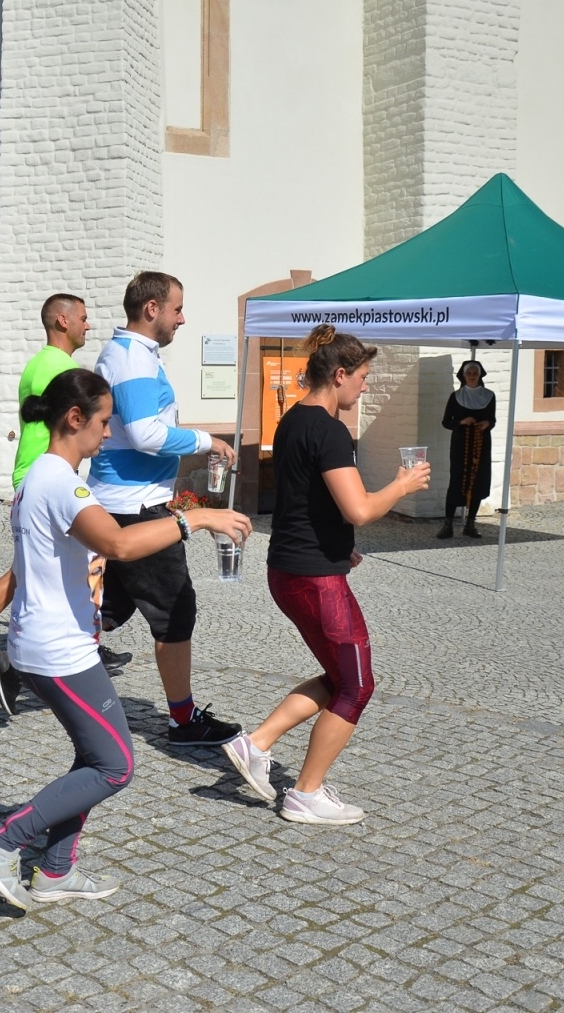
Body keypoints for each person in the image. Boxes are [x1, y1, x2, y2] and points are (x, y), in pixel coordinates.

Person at [0, 369, 251, 909]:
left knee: (92, 758)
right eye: (102, 421)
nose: (107, 432)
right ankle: (4, 841)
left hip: (48, 643)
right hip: (58, 652)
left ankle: (54, 872)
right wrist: (195, 518)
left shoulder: (42, 478)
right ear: (75, 420)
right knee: (115, 765)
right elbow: (118, 544)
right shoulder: (61, 481)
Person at [222, 325, 431, 825]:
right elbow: (358, 508)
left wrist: (340, 550)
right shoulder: (332, 431)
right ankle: (305, 794)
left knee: (341, 675)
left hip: (293, 568)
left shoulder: (292, 420)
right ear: (338, 375)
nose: (364, 388)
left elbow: (308, 503)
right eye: (361, 377)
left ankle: (256, 744)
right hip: (313, 577)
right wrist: (402, 486)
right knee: (357, 685)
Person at [0, 293, 133, 690]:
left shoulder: (40, 362)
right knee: (30, 571)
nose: (87, 325)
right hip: (43, 476)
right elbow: (63, 431)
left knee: (28, 571)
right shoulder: (58, 367)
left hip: (38, 473)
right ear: (62, 321)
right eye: (82, 317)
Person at [86, 271, 241, 747]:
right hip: (137, 506)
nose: (182, 318)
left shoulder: (130, 354)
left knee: (112, 605)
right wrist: (206, 439)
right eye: (177, 308)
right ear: (151, 309)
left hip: (120, 500)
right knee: (175, 610)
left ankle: (22, 668)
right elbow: (144, 434)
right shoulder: (133, 358)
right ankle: (183, 720)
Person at [437, 359, 496, 539]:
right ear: (464, 375)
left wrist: (487, 423)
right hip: (460, 444)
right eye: (469, 373)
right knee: (457, 480)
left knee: (477, 480)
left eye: (475, 373)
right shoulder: (456, 396)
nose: (472, 376)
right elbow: (446, 421)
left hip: (481, 444)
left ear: (480, 375)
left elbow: (492, 419)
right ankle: (448, 525)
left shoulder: (489, 395)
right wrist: (461, 422)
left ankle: (470, 524)